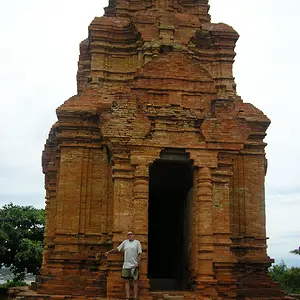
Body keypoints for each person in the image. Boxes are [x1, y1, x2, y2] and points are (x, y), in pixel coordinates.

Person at [105, 231, 142, 300]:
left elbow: (140, 253)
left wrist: (138, 263)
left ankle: (135, 297)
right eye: (128, 234)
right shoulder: (125, 242)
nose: (130, 235)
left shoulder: (137, 243)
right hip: (126, 265)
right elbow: (117, 249)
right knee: (127, 281)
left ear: (133, 235)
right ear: (127, 236)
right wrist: (109, 252)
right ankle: (127, 297)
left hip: (134, 265)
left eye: (131, 234)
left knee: (135, 281)